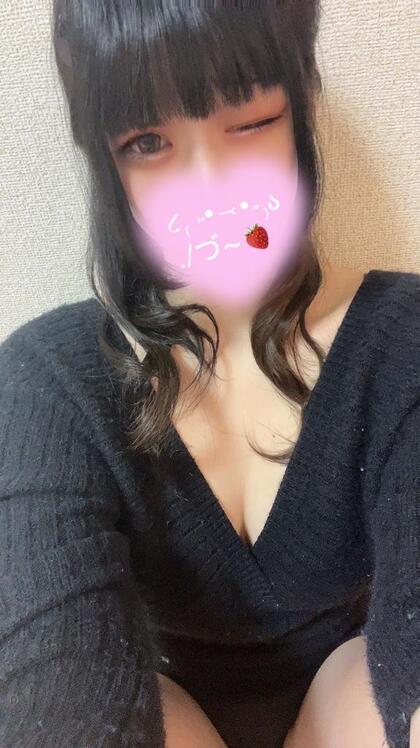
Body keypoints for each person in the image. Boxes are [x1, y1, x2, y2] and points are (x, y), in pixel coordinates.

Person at [0, 2, 418, 747]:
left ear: (301, 104)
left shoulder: (405, 340)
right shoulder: (45, 382)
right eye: (147, 142)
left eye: (249, 122)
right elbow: (51, 673)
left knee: (360, 668)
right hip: (160, 712)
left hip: (352, 705)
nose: (210, 186)